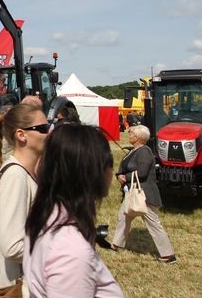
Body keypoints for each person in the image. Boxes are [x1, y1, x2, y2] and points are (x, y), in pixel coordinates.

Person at [23, 124, 123, 297]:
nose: (111, 171)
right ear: (90, 172)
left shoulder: (43, 217)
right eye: (109, 162)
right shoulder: (71, 252)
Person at [0, 101, 49, 290]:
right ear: (21, 135)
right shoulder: (16, 176)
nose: (49, 133)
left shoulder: (25, 172)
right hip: (14, 286)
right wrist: (61, 246)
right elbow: (12, 246)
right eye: (43, 128)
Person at [111, 125, 176, 263]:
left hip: (143, 194)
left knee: (153, 223)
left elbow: (142, 172)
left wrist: (126, 177)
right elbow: (123, 167)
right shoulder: (133, 151)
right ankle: (115, 245)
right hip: (132, 193)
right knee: (123, 217)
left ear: (139, 137)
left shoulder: (144, 152)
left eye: (131, 133)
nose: (129, 135)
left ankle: (168, 255)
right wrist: (119, 176)